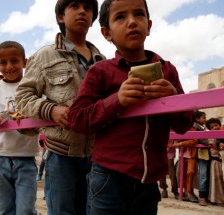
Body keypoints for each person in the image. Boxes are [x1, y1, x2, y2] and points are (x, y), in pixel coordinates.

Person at [67, 0, 194, 214]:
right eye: (120, 17)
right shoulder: (100, 72)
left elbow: (184, 124)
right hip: (107, 177)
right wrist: (117, 100)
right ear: (107, 33)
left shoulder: (167, 70)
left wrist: (172, 99)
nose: (132, 22)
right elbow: (77, 119)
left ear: (149, 25)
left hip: (149, 181)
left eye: (139, 14)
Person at [15, 0, 105, 214]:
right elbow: (22, 96)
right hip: (60, 154)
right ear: (61, 17)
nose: (82, 11)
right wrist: (51, 110)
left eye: (88, 8)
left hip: (97, 153)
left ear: (93, 19)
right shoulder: (45, 55)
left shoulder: (102, 60)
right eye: (74, 6)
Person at [0, 41, 39, 214]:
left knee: (25, 210)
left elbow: (41, 111)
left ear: (25, 62)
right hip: (0, 157)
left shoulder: (33, 85)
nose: (9, 66)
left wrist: (31, 117)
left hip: (26, 157)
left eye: (14, 61)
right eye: (3, 63)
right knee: (5, 209)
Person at [193, 110, 211, 206]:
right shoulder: (196, 127)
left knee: (207, 174)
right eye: (203, 117)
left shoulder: (204, 127)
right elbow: (200, 139)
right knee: (203, 175)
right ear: (197, 119)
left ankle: (207, 195)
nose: (205, 119)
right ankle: (202, 197)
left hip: (206, 153)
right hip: (201, 154)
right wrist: (209, 142)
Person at [205, 117, 224, 206]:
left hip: (221, 161)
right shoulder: (211, 137)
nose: (215, 128)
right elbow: (214, 146)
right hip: (215, 161)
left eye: (216, 125)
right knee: (216, 180)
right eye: (212, 127)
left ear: (220, 125)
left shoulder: (222, 135)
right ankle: (216, 199)